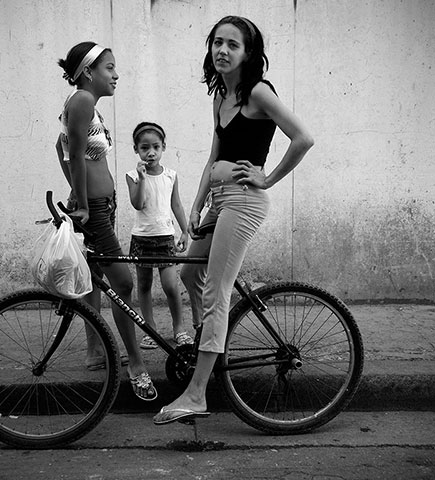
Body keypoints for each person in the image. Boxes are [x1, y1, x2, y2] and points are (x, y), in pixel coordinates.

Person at [153, 16, 314, 424]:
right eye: (217, 43)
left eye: (232, 45)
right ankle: (208, 346)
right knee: (191, 275)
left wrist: (268, 177)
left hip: (244, 201)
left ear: (248, 53)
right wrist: (194, 205)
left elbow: (303, 138)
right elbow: (213, 158)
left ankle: (197, 393)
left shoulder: (259, 93)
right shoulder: (220, 96)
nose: (222, 51)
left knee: (216, 294)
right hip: (219, 199)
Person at [55, 41, 157, 401]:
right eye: (109, 68)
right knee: (123, 284)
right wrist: (81, 203)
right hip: (95, 207)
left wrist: (78, 194)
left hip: (101, 204)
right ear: (88, 73)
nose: (116, 74)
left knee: (96, 276)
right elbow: (75, 155)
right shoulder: (82, 101)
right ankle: (136, 364)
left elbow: (60, 147)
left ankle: (95, 351)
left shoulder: (86, 106)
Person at [125, 122, 192, 350]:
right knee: (143, 285)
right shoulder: (132, 176)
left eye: (155, 147)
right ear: (136, 150)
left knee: (170, 285)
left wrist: (185, 230)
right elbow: (138, 203)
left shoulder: (171, 175)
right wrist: (142, 179)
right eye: (145, 148)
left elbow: (176, 204)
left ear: (163, 147)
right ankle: (149, 330)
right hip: (142, 238)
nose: (150, 152)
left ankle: (179, 328)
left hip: (165, 237)